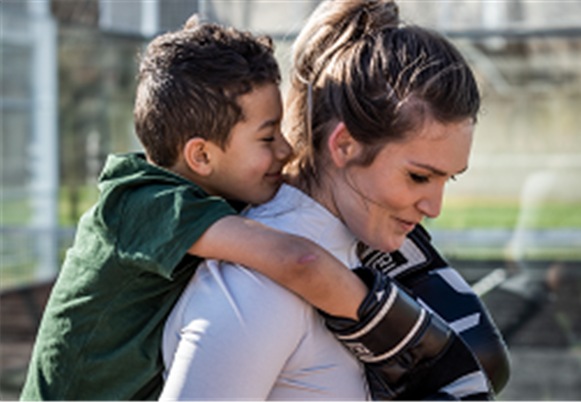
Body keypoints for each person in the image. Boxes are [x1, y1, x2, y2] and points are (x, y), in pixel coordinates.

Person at [160, 0, 508, 400]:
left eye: (448, 179)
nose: (434, 207)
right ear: (344, 145)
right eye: (418, 177)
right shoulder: (257, 285)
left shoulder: (371, 252)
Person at [20, 17, 371, 401]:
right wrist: (396, 325)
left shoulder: (212, 193)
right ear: (201, 156)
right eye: (268, 137)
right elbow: (296, 260)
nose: (285, 150)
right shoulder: (143, 204)